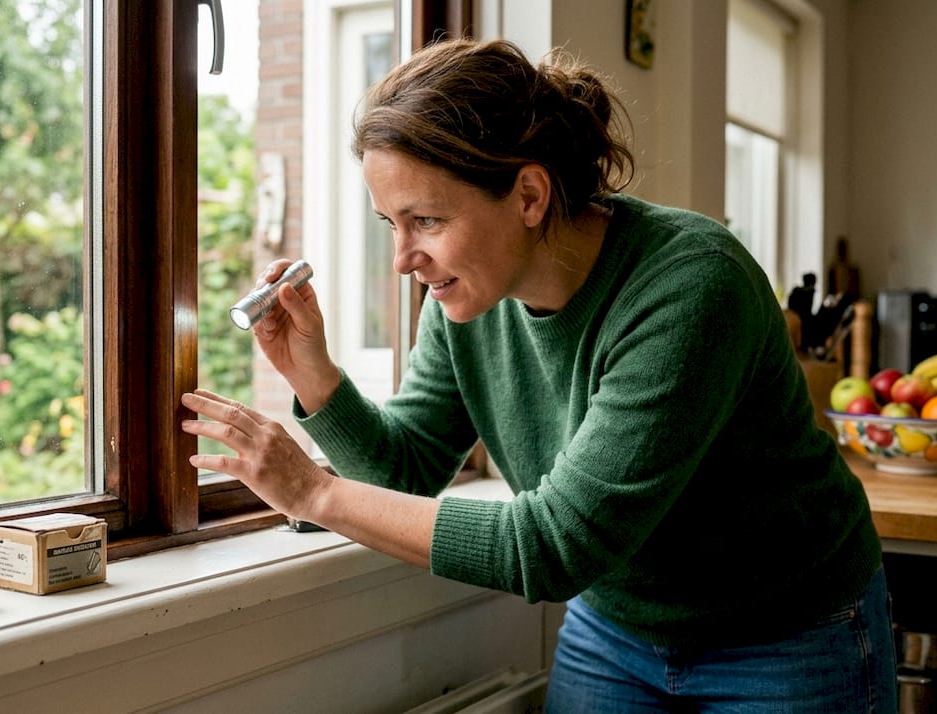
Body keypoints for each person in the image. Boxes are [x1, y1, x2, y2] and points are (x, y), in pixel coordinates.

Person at [181, 38, 896, 713]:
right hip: (617, 626)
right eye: (389, 224)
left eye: (425, 220)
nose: (402, 260)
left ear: (528, 195)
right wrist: (314, 375)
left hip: (787, 633)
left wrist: (314, 492)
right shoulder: (469, 298)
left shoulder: (690, 286)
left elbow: (553, 546)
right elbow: (404, 473)